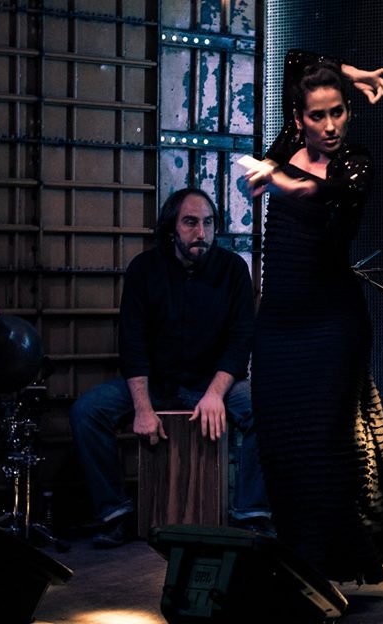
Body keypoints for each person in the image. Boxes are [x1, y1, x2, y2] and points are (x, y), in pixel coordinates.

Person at [244, 50, 383, 585]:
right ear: (299, 119)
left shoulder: (355, 162)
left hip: (332, 325)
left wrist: (287, 185)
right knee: (282, 446)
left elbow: (334, 193)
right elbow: (295, 58)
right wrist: (351, 74)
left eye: (339, 111)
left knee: (326, 446)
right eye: (319, 115)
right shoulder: (286, 144)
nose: (331, 124)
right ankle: (299, 561)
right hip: (278, 325)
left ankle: (328, 566)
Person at [69, 187, 270, 548]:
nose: (201, 233)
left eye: (208, 223)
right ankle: (115, 514)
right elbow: (132, 343)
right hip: (157, 383)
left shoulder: (233, 269)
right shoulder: (145, 269)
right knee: (87, 412)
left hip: (213, 383)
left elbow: (241, 341)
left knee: (266, 408)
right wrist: (143, 407)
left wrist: (214, 394)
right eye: (190, 223)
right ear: (171, 229)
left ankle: (250, 515)